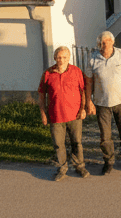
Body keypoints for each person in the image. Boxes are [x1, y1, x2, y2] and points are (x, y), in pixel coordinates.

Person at [84, 30, 121, 173]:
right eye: (102, 42)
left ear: (113, 42)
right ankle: (109, 161)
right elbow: (88, 82)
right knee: (105, 136)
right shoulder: (92, 58)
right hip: (101, 103)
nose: (105, 44)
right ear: (99, 44)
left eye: (108, 41)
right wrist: (88, 101)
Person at [38, 46, 89, 181]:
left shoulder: (76, 71)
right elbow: (42, 95)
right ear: (55, 58)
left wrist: (83, 108)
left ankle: (79, 166)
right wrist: (43, 114)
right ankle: (62, 168)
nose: (62, 60)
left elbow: (83, 91)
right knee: (58, 144)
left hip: (75, 115)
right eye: (59, 57)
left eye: (64, 57)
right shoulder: (48, 73)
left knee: (76, 142)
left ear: (69, 58)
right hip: (55, 116)